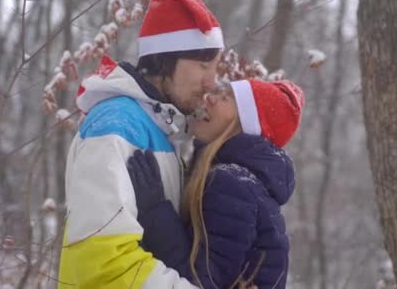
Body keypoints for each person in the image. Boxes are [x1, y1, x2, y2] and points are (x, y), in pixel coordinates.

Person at [58, 0, 224, 288]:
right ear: (164, 61)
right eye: (203, 65)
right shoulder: (116, 127)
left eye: (215, 67)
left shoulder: (157, 127)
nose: (212, 81)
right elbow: (102, 263)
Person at [128, 79, 305, 289]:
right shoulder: (245, 184)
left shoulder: (231, 185)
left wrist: (155, 212)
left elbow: (199, 283)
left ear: (244, 124)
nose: (210, 98)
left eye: (226, 98)